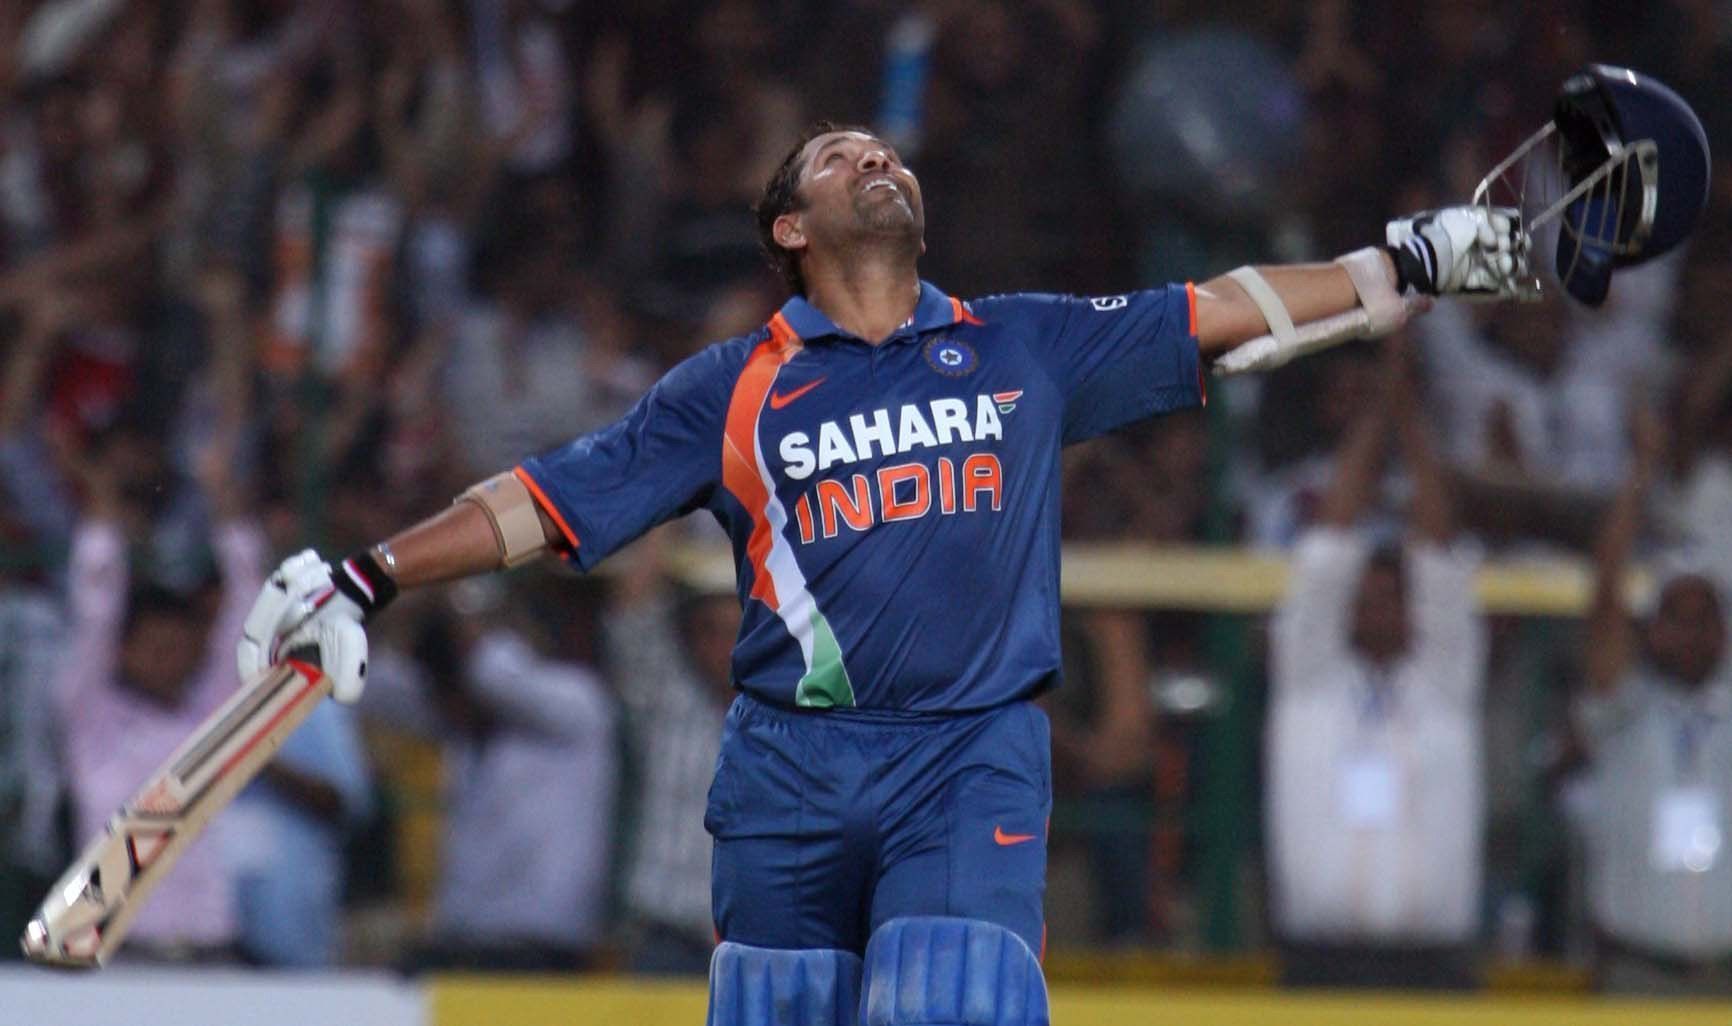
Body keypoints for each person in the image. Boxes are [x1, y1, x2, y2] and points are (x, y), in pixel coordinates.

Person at [236, 123, 1518, 1023]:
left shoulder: (1023, 343)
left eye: (886, 150)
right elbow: (546, 503)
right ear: (791, 228)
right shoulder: (727, 388)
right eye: (842, 155)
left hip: (967, 757)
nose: (878, 159)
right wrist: (364, 578)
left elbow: (1228, 312)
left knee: (955, 1008)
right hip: (784, 770)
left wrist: (1408, 262)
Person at [1265, 338, 1486, 989]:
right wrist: (1375, 412)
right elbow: (1329, 548)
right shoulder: (1309, 679)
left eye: (1396, 597)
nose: (1380, 608)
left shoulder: (1444, 681)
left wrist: (1405, 413)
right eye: (1367, 597)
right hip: (1317, 966)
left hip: (1434, 971)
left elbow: (1440, 559)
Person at [1575, 409, 1732, 997]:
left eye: (1706, 620)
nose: (1691, 634)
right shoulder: (1622, 711)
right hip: (1636, 975)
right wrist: (1640, 473)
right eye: (1677, 618)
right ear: (1652, 629)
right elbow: (1605, 598)